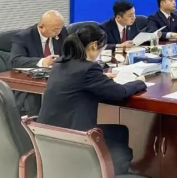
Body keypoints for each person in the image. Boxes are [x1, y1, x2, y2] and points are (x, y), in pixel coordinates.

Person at [37, 24, 146, 176]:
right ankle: (111, 171)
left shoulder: (60, 63)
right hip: (75, 137)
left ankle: (111, 170)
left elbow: (77, 79)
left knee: (117, 131)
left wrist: (100, 78)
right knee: (120, 132)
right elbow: (119, 93)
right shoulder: (89, 69)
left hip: (48, 136)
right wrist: (139, 82)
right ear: (94, 45)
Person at [10, 10, 68, 115]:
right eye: (55, 29)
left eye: (60, 28)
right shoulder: (23, 37)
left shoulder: (62, 31)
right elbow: (15, 60)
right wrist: (42, 61)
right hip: (33, 81)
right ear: (41, 27)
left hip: (58, 77)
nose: (58, 32)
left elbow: (68, 52)